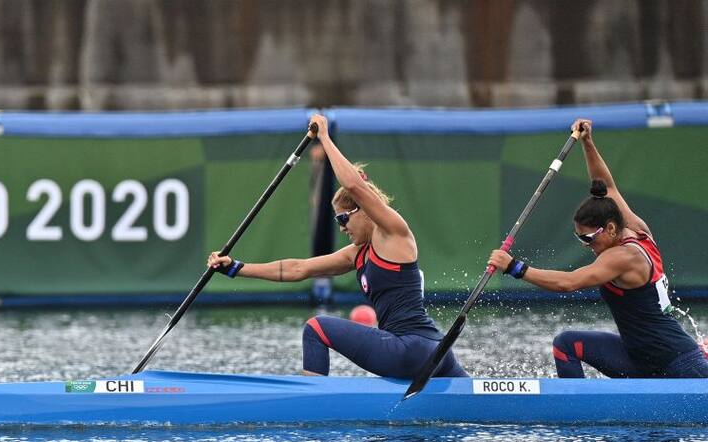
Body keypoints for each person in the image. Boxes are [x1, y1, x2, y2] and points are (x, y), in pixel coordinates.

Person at [207, 113, 467, 379]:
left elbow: (353, 184)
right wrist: (236, 268)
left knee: (315, 327)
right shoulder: (358, 253)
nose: (341, 227)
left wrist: (324, 137)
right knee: (478, 397)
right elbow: (297, 269)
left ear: (362, 210)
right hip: (438, 352)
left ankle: (311, 405)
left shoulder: (392, 232)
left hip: (409, 349)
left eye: (343, 218)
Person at [488, 118, 708, 379]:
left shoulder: (624, 256)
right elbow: (607, 186)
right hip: (639, 357)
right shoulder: (636, 229)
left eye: (589, 238)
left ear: (611, 229)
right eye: (580, 238)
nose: (586, 245)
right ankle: (573, 413)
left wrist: (514, 267)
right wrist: (588, 143)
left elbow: (568, 283)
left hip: (678, 363)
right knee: (566, 344)